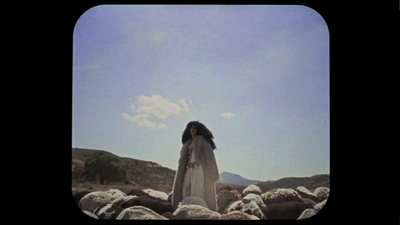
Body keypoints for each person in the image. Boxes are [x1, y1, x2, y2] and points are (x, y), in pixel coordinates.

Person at [171, 121, 220, 211]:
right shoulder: (187, 143)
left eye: (194, 128)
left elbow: (210, 157)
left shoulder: (203, 141)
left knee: (197, 191)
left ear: (198, 129)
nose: (192, 130)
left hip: (199, 168)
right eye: (191, 128)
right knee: (185, 190)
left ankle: (199, 211)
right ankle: (184, 211)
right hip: (188, 169)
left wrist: (211, 173)